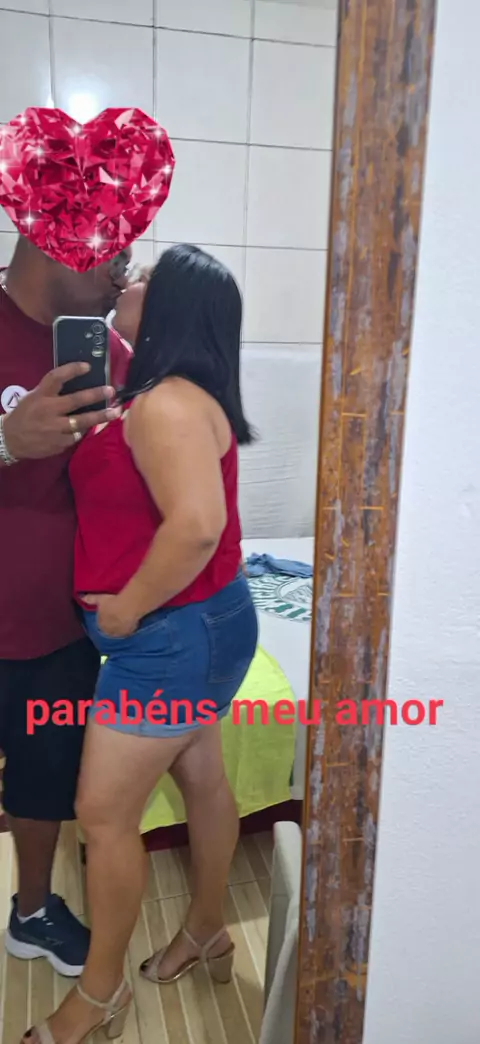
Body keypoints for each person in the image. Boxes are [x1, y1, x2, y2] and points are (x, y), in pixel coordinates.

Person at [23, 245, 258, 1044]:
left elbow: (196, 527)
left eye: (148, 275)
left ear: (173, 308)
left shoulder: (164, 405)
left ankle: (99, 995)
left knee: (102, 814)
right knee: (203, 778)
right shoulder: (163, 395)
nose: (130, 279)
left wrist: (125, 611)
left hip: (166, 636)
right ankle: (207, 930)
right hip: (204, 622)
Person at [0, 236, 132, 977]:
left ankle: (32, 912)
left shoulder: (110, 355)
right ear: (53, 244)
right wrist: (5, 441)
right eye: (114, 254)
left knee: (43, 780)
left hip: (60, 627)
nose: (122, 273)